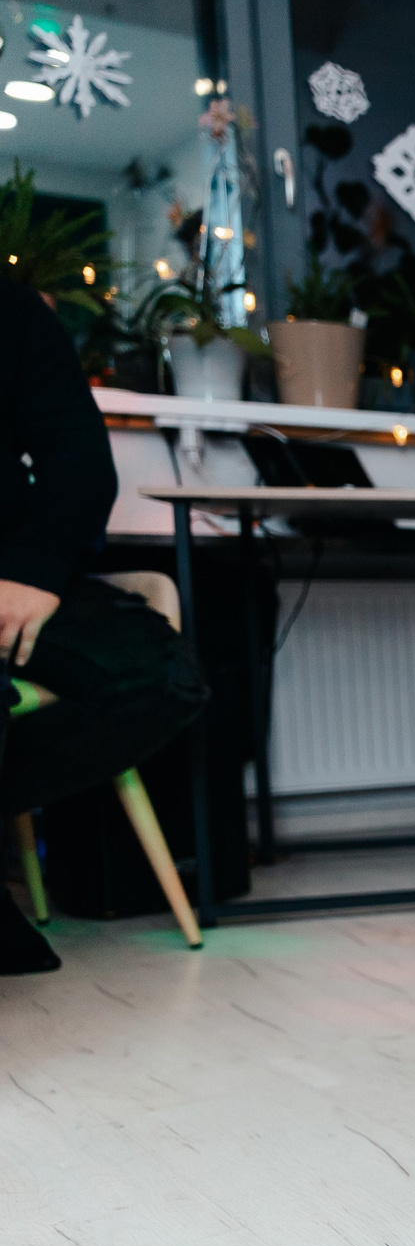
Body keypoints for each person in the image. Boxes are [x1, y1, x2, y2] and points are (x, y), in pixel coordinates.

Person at [0, 275, 207, 974]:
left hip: (15, 577)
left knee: (164, 679)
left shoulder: (10, 306)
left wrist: (33, 573)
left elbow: (80, 455)